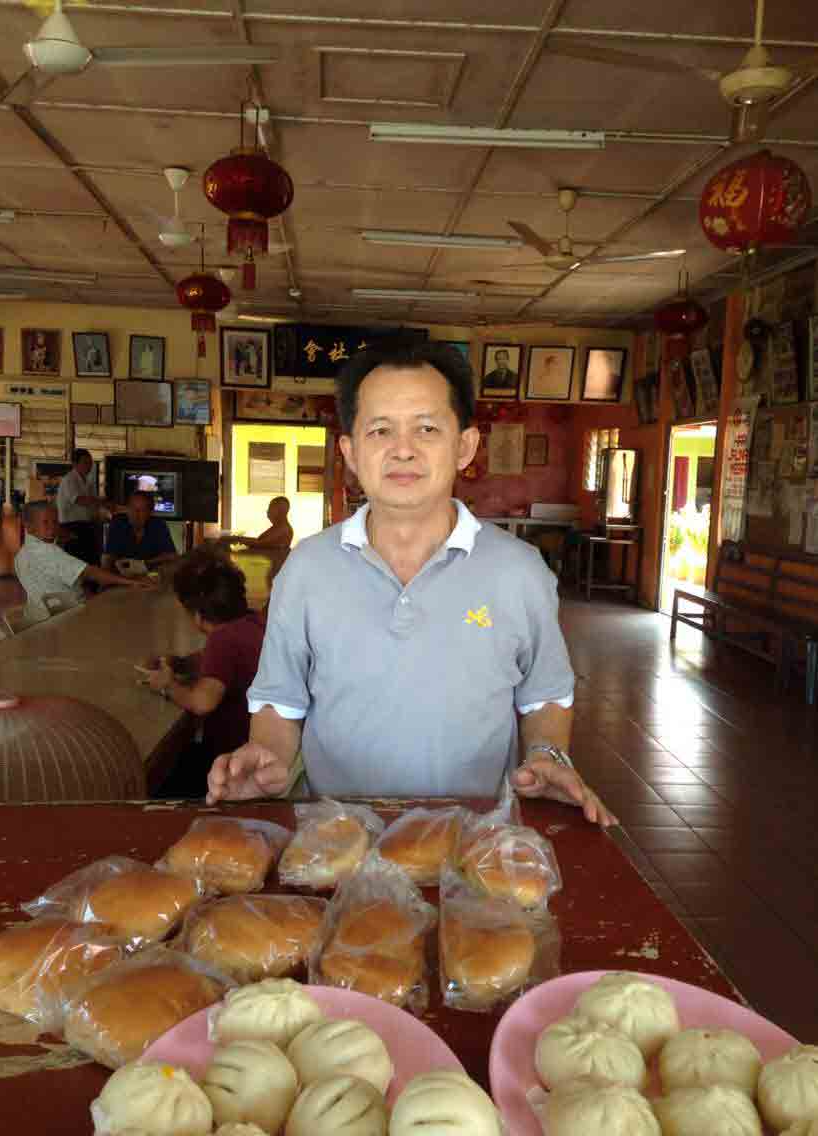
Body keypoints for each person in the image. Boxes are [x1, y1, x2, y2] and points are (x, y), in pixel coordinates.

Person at [207, 341, 615, 826]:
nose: (403, 449)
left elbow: (544, 695)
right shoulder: (305, 569)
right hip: (338, 837)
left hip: (476, 838)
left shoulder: (521, 572)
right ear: (351, 452)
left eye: (426, 428)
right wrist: (267, 757)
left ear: (464, 446)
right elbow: (280, 700)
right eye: (380, 430)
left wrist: (548, 754)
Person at [142, 552, 266, 798]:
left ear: (198, 615)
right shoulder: (252, 622)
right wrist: (180, 663)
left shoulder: (222, 639)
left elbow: (202, 703)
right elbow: (221, 662)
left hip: (230, 762)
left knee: (157, 781)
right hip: (256, 753)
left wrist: (167, 685)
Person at [15, 500, 153, 622]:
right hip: (63, 620)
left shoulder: (21, 555)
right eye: (45, 522)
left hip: (37, 616)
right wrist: (132, 582)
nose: (53, 526)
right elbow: (92, 573)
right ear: (29, 527)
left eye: (55, 521)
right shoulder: (49, 553)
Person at [56, 449, 107, 565]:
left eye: (90, 463)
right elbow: (79, 500)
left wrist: (101, 512)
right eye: (85, 463)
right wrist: (102, 502)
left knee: (91, 559)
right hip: (72, 526)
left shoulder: (88, 481)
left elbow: (93, 504)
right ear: (75, 464)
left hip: (86, 525)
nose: (89, 466)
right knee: (77, 560)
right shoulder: (69, 479)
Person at [104, 490, 176, 572]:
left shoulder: (158, 525)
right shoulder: (117, 523)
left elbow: (172, 556)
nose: (135, 514)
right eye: (132, 508)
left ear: (150, 512)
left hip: (150, 574)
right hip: (121, 575)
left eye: (142, 510)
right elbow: (108, 558)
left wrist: (144, 564)